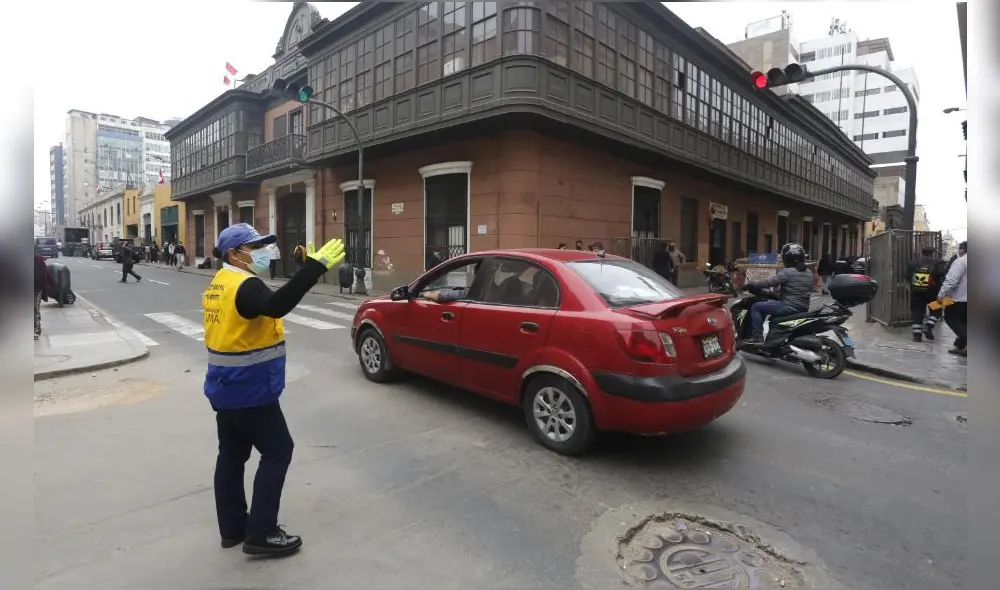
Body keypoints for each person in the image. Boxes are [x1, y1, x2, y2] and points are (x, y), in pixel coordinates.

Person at [203, 223, 345, 556]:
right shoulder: (246, 284)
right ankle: (261, 532)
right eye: (257, 247)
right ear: (235, 255)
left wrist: (301, 269)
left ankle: (233, 528)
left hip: (223, 387)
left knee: (231, 455)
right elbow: (277, 304)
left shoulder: (219, 283)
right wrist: (314, 269)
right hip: (249, 389)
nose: (266, 251)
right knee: (279, 450)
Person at [740, 243, 813, 344]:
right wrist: (775, 294)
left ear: (788, 258)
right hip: (802, 307)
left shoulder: (788, 272)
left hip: (788, 306)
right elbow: (795, 290)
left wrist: (751, 284)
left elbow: (768, 282)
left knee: (756, 307)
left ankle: (757, 337)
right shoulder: (808, 272)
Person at [906, 245, 945, 342]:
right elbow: (943, 274)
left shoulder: (913, 263)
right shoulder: (938, 262)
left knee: (917, 311)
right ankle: (929, 326)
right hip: (933, 290)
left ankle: (917, 335)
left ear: (921, 252)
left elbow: (907, 276)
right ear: (933, 253)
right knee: (936, 309)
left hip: (917, 291)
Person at [937, 240, 967, 356]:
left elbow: (951, 280)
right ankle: (960, 347)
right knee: (964, 321)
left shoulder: (961, 261)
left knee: (950, 317)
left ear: (963, 249)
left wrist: (941, 294)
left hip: (959, 298)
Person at [34, 253, 48, 340]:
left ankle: (36, 330)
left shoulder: (38, 258)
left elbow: (45, 273)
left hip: (37, 288)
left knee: (35, 309)